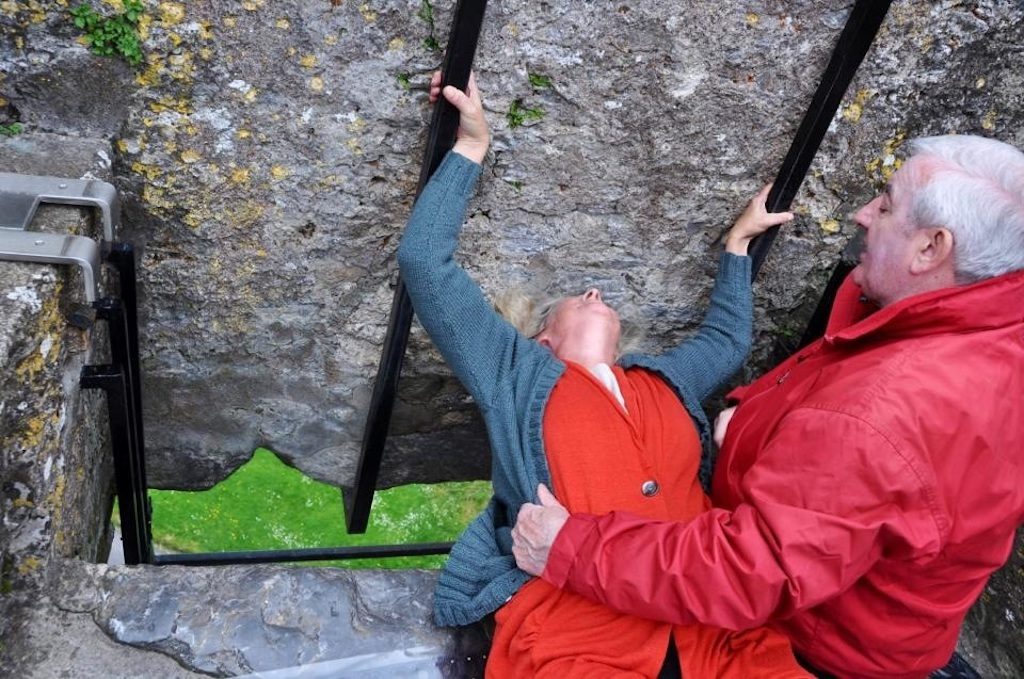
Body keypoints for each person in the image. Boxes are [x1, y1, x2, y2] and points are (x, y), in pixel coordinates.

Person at [511, 133, 1024, 678]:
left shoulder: (875, 413)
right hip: (804, 600)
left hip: (801, 638)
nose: (862, 214)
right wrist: (736, 253)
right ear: (541, 343)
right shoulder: (988, 335)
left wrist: (569, 547)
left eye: (887, 204)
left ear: (930, 249)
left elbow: (754, 569)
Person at [397, 71, 806, 677]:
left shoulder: (664, 380)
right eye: (573, 296)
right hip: (579, 629)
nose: (593, 289)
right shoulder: (518, 373)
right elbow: (424, 263)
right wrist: (471, 147)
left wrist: (737, 247)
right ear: (542, 336)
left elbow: (726, 340)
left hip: (713, 632)